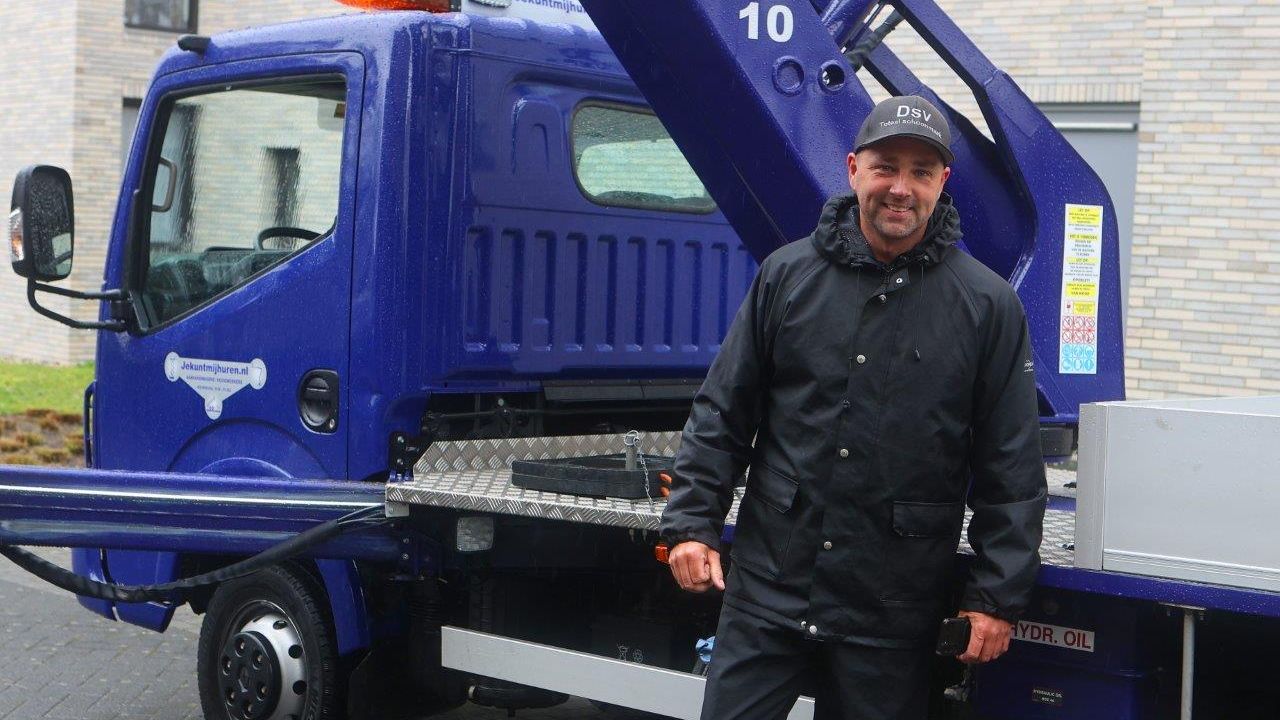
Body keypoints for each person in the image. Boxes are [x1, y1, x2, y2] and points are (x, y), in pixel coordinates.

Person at [659, 95, 1047, 720]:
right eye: (885, 166)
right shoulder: (786, 278)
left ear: (942, 182)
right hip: (768, 592)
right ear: (853, 169)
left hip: (892, 608)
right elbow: (723, 413)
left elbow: (1012, 465)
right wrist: (692, 524)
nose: (901, 187)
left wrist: (995, 598)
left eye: (921, 172)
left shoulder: (987, 306)